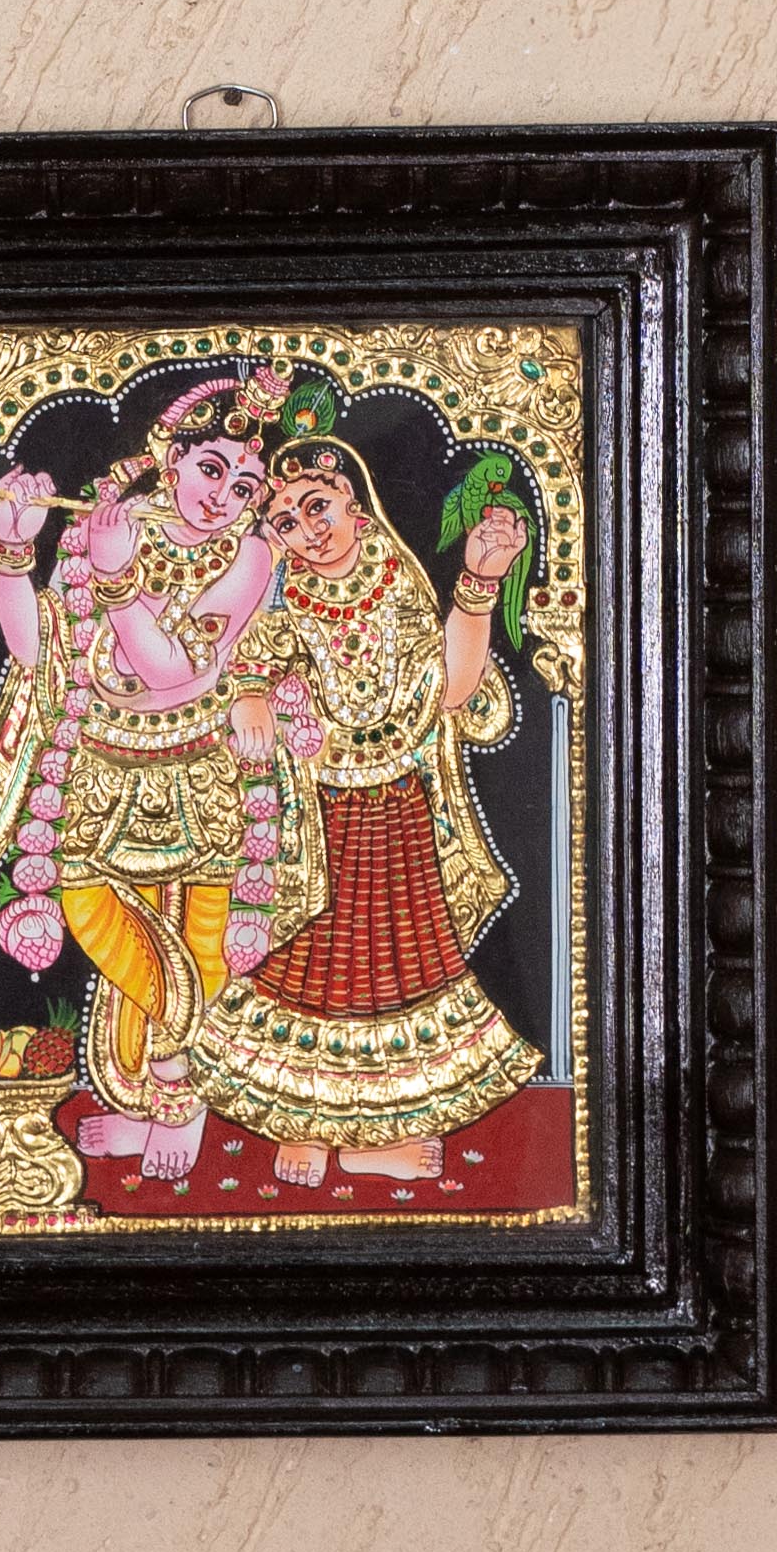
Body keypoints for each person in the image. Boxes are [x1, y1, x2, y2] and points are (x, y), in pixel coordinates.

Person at [0, 366, 314, 1183]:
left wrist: (117, 582)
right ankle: (159, 1094)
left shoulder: (249, 554)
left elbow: (173, 668)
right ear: (170, 458)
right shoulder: (110, 525)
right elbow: (38, 651)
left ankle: (175, 1093)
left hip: (202, 773)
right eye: (209, 468)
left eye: (243, 485)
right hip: (97, 768)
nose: (220, 496)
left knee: (202, 947)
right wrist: (13, 549)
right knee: (96, 917)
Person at [185, 437, 537, 1186]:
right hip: (319, 823)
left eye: (316, 506)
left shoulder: (398, 585)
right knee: (311, 969)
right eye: (284, 522)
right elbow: (247, 667)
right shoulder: (284, 604)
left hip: (401, 814)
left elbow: (450, 688)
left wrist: (478, 581)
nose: (307, 529)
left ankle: (370, 1141)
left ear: (354, 505)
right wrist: (252, 700)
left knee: (396, 969)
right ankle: (305, 1129)